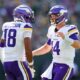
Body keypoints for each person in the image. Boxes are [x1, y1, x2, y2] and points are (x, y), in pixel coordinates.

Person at [32, 5, 80, 80]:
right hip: (54, 64)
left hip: (65, 65)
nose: (53, 18)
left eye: (56, 15)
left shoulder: (70, 29)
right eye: (52, 16)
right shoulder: (52, 29)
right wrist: (32, 53)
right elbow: (47, 47)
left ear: (63, 16)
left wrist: (65, 38)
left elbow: (77, 45)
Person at [0, 4, 35, 80]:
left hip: (7, 63)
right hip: (18, 62)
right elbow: (28, 49)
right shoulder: (26, 26)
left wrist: (4, 60)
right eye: (28, 16)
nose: (29, 18)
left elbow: (1, 45)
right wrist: (31, 65)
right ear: (23, 16)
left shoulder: (6, 25)